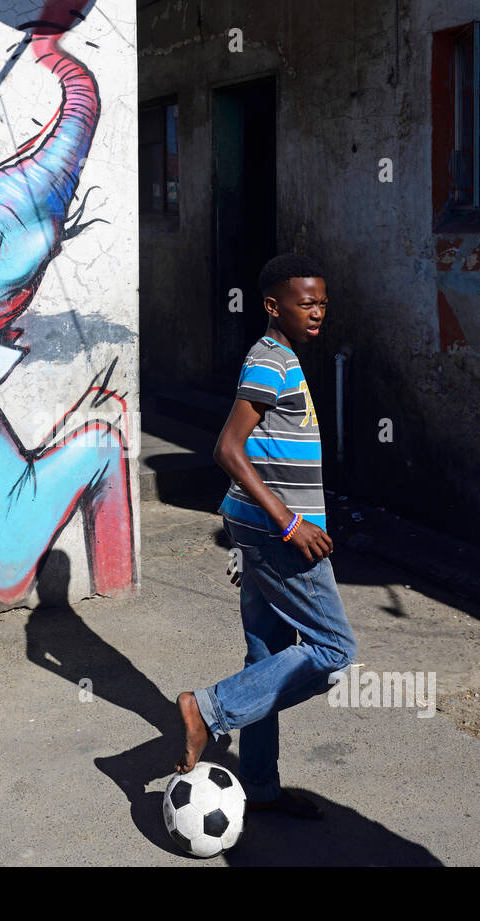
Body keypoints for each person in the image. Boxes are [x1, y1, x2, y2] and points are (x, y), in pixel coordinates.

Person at [176, 253, 357, 819]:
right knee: (334, 650)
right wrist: (290, 521)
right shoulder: (269, 361)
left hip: (259, 529)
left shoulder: (284, 360)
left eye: (323, 302)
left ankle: (260, 785)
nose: (318, 312)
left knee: (267, 653)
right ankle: (209, 709)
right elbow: (228, 449)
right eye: (307, 303)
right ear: (274, 306)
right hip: (276, 534)